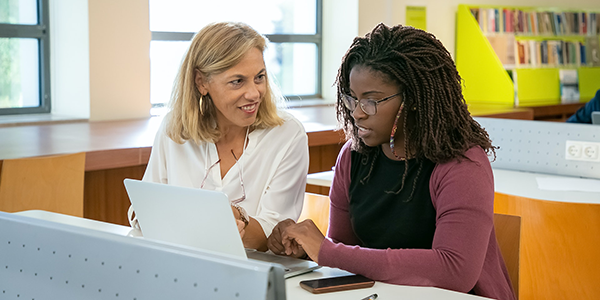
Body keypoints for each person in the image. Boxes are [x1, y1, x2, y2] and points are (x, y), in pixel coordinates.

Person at [267, 24, 515, 300]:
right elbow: (345, 251)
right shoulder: (353, 156)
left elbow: (455, 271)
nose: (357, 114)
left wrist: (328, 251)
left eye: (371, 101)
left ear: (414, 99)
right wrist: (306, 248)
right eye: (352, 98)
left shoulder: (461, 163)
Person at [133, 22, 309, 251]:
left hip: (252, 271)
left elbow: (274, 236)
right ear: (201, 82)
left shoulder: (287, 135)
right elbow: (144, 211)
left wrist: (236, 218)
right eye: (237, 81)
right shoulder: (174, 130)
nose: (254, 93)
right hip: (182, 266)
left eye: (259, 77)